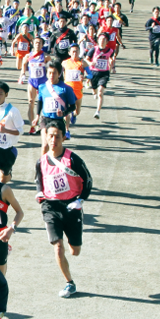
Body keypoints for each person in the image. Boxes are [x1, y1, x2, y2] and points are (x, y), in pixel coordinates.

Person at [35, 121, 92, 299]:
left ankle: (71, 241)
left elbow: (88, 180)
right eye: (50, 136)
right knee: (58, 247)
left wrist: (81, 200)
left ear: (64, 137)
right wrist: (40, 194)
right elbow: (39, 180)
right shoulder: (42, 161)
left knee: (75, 250)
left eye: (57, 136)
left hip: (71, 207)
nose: (53, 140)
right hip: (51, 206)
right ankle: (69, 283)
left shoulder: (73, 159)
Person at [35, 61, 77, 146]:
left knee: (55, 146)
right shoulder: (42, 87)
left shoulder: (66, 89)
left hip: (58, 120)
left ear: (59, 74)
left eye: (54, 73)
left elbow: (73, 106)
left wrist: (64, 113)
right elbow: (40, 102)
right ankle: (42, 160)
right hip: (45, 119)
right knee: (45, 145)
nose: (51, 75)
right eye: (49, 73)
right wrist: (37, 116)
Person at [21, 36, 50, 133]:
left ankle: (43, 122)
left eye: (39, 43)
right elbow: (24, 64)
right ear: (33, 43)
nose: (37, 44)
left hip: (43, 82)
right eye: (36, 42)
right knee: (31, 102)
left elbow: (51, 68)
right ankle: (32, 125)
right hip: (32, 82)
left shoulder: (45, 57)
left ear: (42, 45)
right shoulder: (28, 56)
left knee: (44, 104)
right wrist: (22, 74)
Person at [84, 34, 114, 119]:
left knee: (100, 92)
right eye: (100, 39)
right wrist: (90, 63)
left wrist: (112, 63)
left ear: (107, 41)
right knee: (95, 89)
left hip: (104, 73)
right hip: (94, 72)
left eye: (104, 39)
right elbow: (86, 59)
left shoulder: (110, 50)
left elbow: (111, 58)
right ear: (98, 40)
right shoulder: (94, 49)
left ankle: (98, 111)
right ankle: (94, 91)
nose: (102, 41)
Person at [63, 44, 88, 122]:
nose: (75, 53)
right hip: (67, 89)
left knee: (77, 110)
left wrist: (85, 77)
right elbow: (59, 74)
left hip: (78, 89)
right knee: (66, 111)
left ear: (79, 52)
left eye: (77, 51)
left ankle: (74, 115)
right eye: (73, 51)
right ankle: (66, 130)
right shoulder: (64, 63)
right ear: (69, 52)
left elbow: (90, 74)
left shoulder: (83, 63)